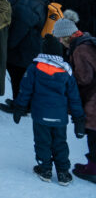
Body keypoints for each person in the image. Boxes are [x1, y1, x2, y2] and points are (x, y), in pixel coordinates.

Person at [11, 34, 85, 185]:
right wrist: (79, 119)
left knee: (42, 142)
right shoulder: (66, 71)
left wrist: (19, 107)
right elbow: (74, 97)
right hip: (60, 118)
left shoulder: (35, 67)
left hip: (40, 116)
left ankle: (45, 169)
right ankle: (63, 172)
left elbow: (25, 90)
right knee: (60, 142)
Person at [51, 18, 96, 183]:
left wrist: (66, 78)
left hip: (93, 100)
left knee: (93, 135)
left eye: (59, 38)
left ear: (65, 37)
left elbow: (84, 78)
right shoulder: (87, 41)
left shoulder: (80, 50)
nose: (59, 42)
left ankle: (93, 170)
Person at [0, 0, 50, 110]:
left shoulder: (25, 6)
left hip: (23, 49)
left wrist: (6, 47)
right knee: (24, 77)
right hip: (31, 46)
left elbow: (17, 32)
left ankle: (20, 105)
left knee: (18, 77)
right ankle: (25, 103)